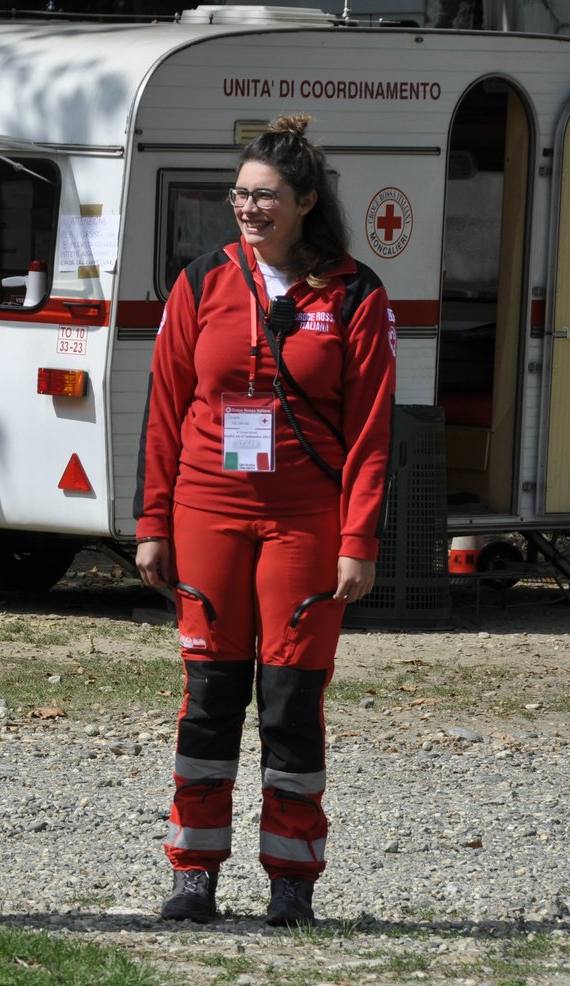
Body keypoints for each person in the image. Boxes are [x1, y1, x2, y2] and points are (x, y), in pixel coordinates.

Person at [134, 114, 395, 928]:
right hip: (206, 510)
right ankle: (194, 871)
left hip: (304, 524)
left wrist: (359, 540)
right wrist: (152, 521)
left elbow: (373, 432)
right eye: (241, 195)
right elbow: (165, 409)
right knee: (209, 695)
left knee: (288, 698)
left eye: (267, 196)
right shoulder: (201, 281)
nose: (248, 209)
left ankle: (291, 876)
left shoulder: (353, 292)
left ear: (306, 203)